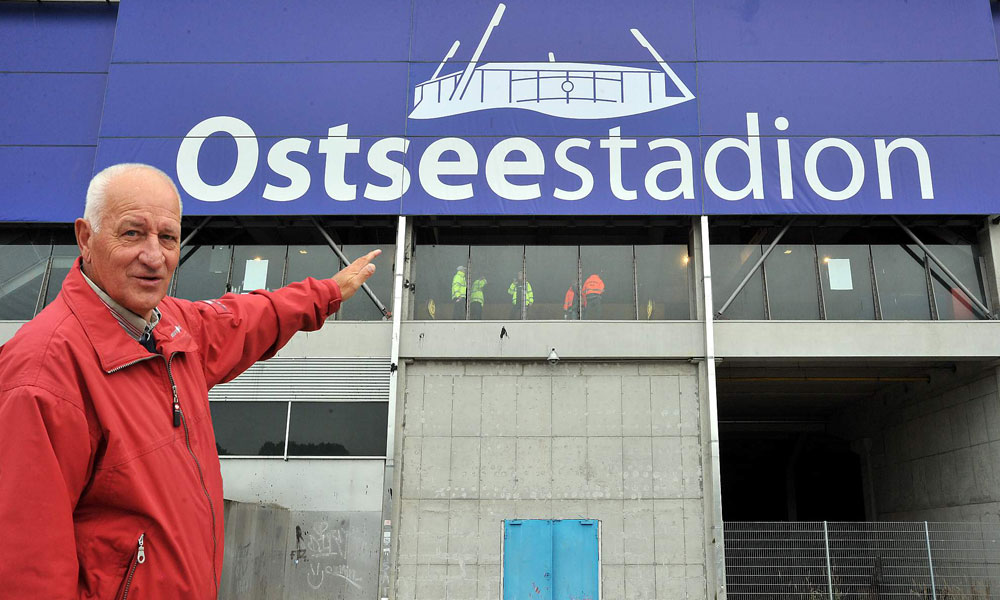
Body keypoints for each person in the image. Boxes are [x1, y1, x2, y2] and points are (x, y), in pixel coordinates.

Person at [0, 163, 379, 599]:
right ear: (85, 237)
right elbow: (25, 568)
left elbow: (246, 319)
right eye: (132, 233)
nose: (154, 256)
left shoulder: (171, 328)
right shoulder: (43, 374)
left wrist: (324, 294)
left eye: (168, 238)